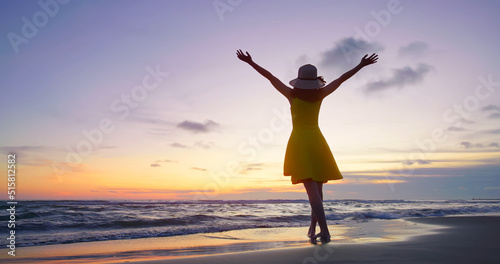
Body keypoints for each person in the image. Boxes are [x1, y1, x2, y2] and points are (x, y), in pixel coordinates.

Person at [236, 49, 378, 243]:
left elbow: (270, 77)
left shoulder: (291, 94)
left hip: (300, 141)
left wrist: (250, 62)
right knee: (317, 191)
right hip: (317, 140)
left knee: (312, 191)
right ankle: (313, 227)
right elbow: (342, 78)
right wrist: (361, 65)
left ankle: (325, 231)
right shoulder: (321, 94)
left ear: (299, 79)